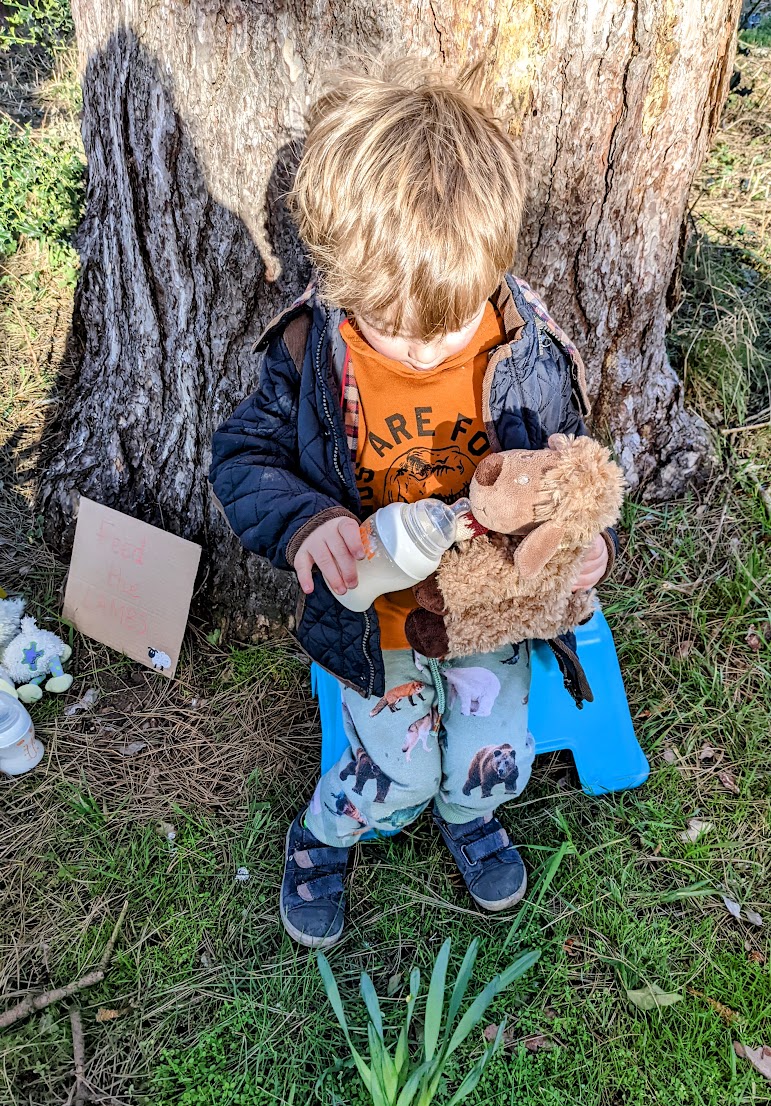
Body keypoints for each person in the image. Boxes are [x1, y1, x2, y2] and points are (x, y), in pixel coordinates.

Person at [209, 56, 617, 949]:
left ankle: (470, 813)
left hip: (485, 613)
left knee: (488, 755)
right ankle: (325, 832)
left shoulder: (527, 352)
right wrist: (308, 523)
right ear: (343, 282)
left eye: (448, 326)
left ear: (488, 268)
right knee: (392, 773)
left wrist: (586, 548)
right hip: (373, 618)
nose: (426, 352)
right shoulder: (314, 351)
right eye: (395, 330)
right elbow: (243, 456)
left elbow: (571, 480)